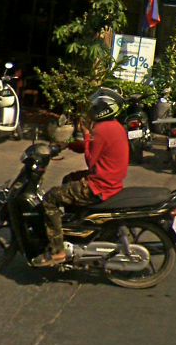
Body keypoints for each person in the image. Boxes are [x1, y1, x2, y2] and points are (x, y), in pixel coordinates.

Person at [33, 87, 130, 267]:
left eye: (95, 106)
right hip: (110, 180)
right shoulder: (115, 126)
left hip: (99, 185)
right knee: (69, 179)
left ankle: (57, 251)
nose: (91, 109)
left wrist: (85, 133)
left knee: (50, 198)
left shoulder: (102, 129)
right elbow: (93, 147)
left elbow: (91, 160)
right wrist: (68, 145)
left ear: (104, 109)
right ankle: (76, 229)